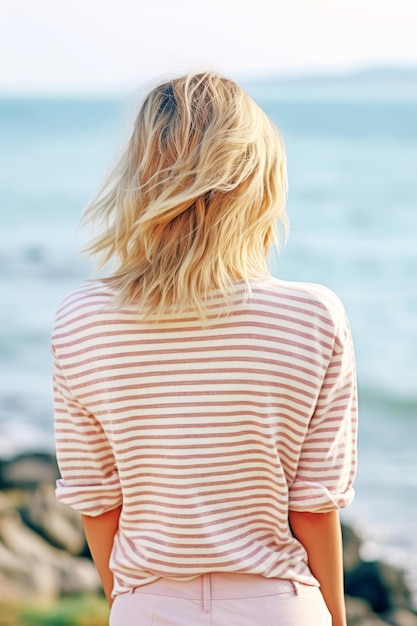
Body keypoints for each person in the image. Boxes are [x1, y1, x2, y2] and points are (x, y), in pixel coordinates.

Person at [52, 71, 357, 626]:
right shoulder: (314, 316)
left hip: (148, 605)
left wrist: (129, 601)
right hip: (280, 606)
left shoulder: (82, 320)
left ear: (141, 176)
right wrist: (335, 618)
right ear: (257, 182)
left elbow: (97, 500)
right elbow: (313, 505)